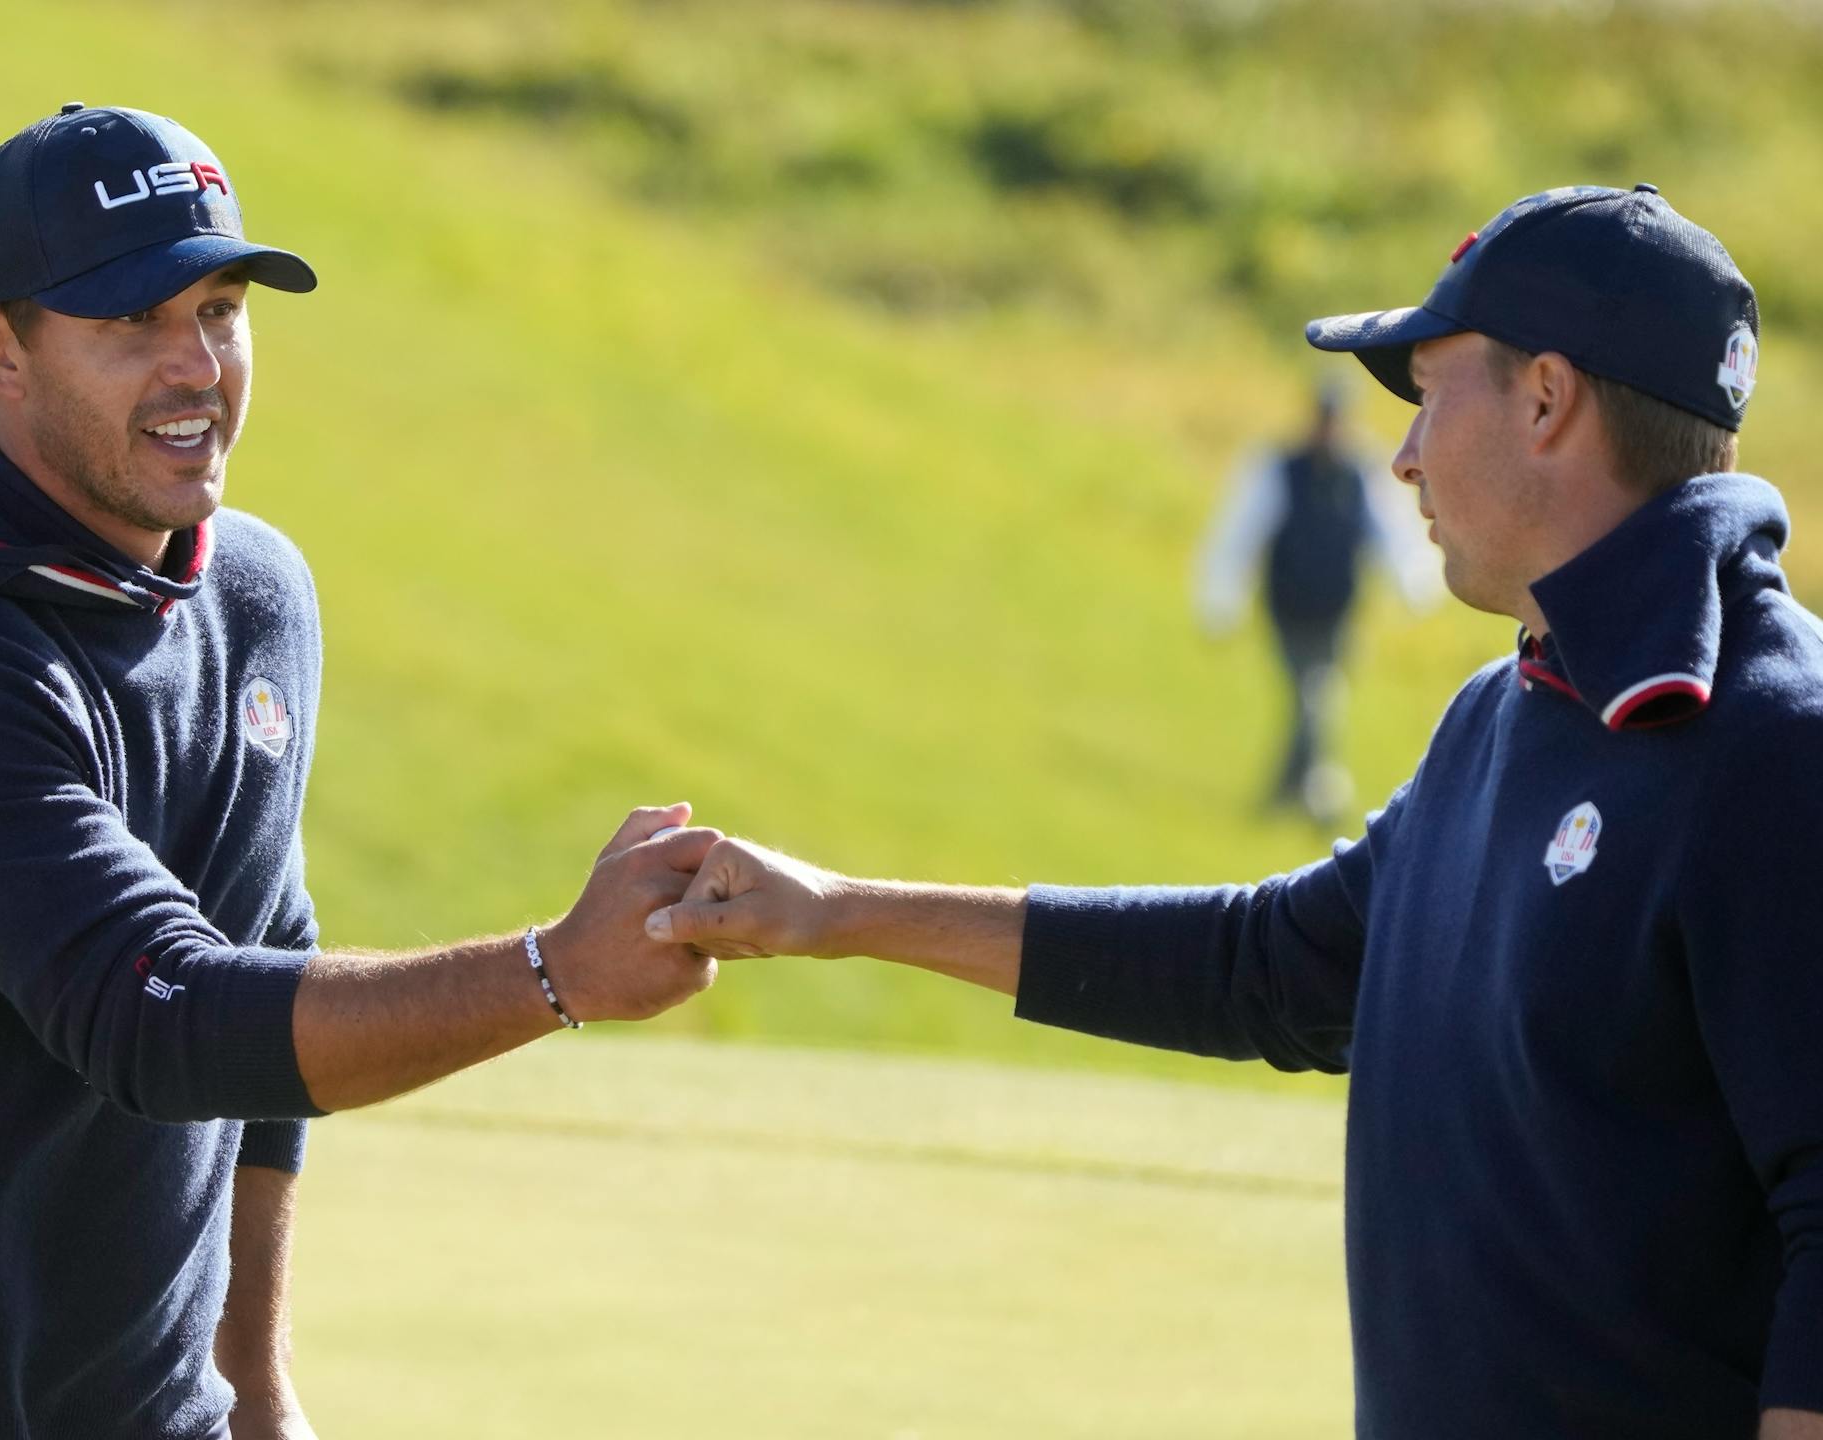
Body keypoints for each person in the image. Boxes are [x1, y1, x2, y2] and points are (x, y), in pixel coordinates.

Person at [644, 186, 1823, 1438]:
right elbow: (1272, 967)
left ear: (1546, 398)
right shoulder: (1508, 708)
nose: (1404, 455)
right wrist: (838, 913)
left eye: (1428, 394)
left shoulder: (1775, 747)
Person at [0, 103, 720, 1440]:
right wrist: (553, 973)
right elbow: (165, 1022)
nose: (195, 371)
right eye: (129, 326)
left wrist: (251, 1383)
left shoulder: (256, 594)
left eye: (219, 311)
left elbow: (265, 943)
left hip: (136, 1408)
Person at [1197, 383, 1436, 821]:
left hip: (1337, 612)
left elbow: (1391, 533)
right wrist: (1220, 601)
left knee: (1314, 697)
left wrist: (1414, 585)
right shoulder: (1279, 467)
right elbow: (1240, 533)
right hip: (1286, 609)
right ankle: (1323, 794)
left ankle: (1282, 793)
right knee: (1314, 698)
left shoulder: (1361, 473)